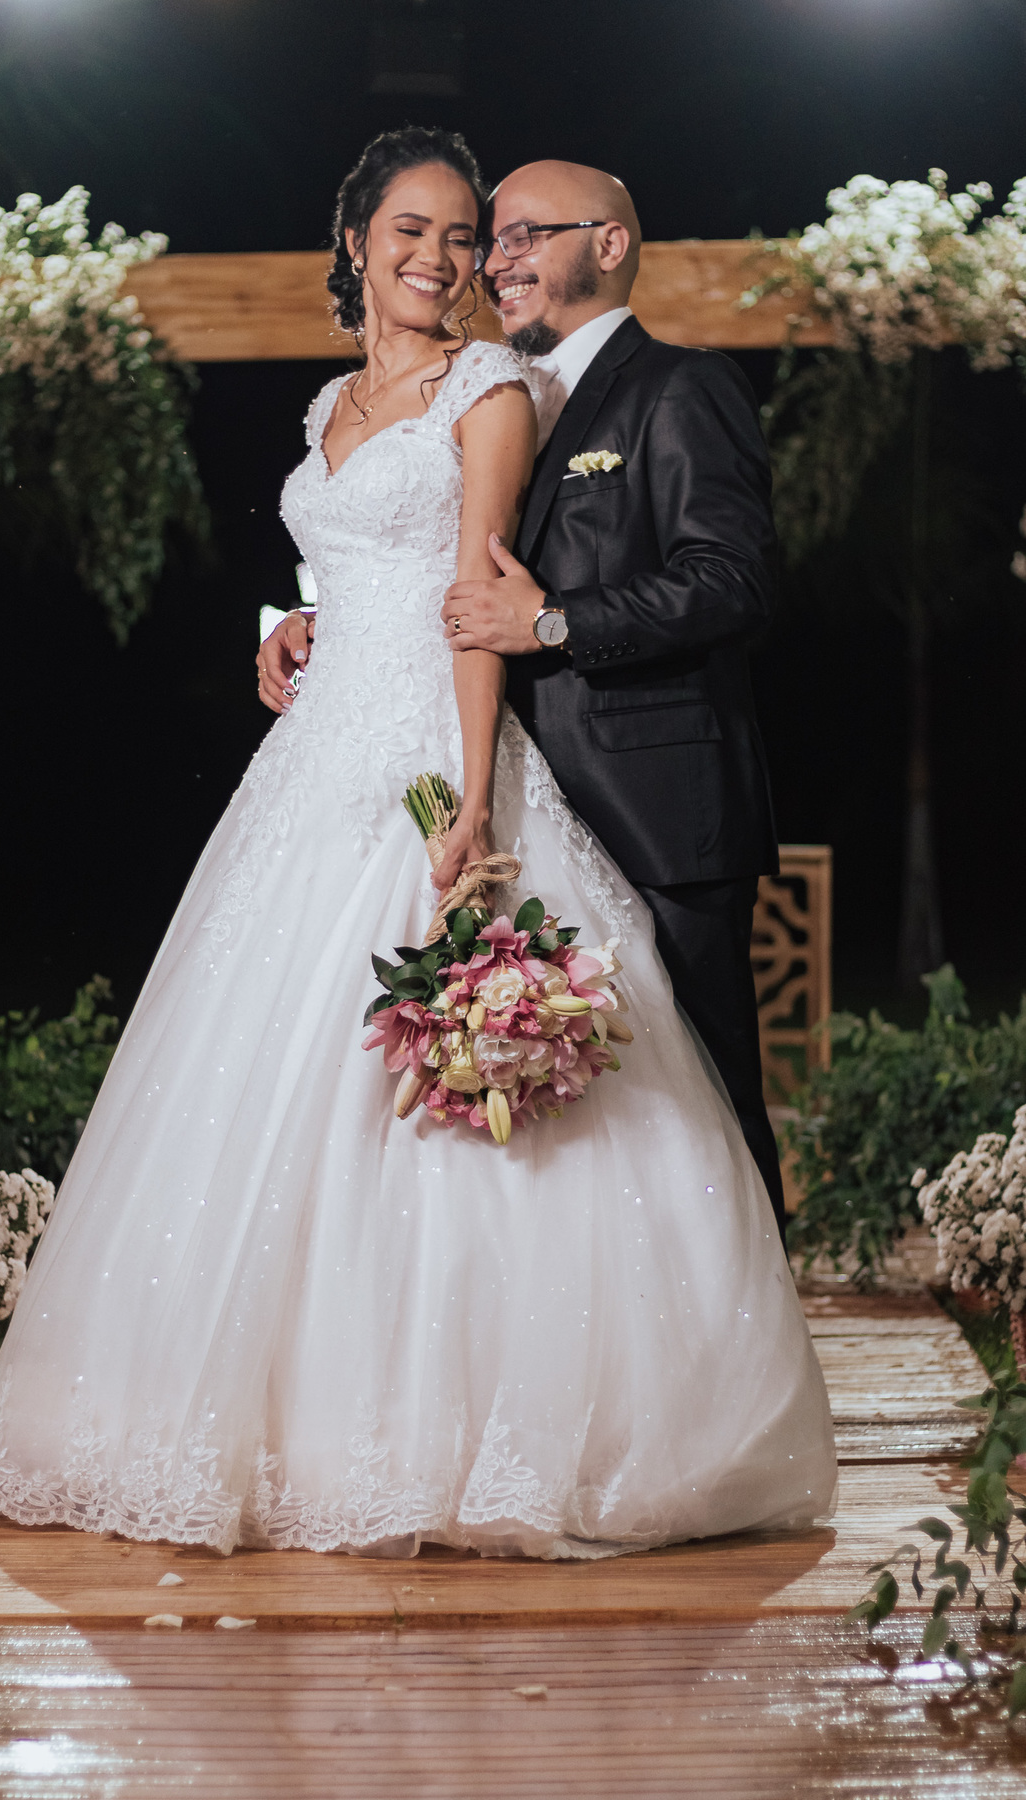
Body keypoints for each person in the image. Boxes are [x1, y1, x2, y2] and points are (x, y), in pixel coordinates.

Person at [0, 129, 835, 1561]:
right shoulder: (351, 401)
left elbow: (519, 593)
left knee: (624, 1110)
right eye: (423, 233)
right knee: (281, 1075)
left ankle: (653, 1402)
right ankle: (291, 1409)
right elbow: (375, 566)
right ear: (356, 242)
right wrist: (294, 623)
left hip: (510, 768)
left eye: (477, 234)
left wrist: (479, 784)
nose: (458, 257)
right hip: (326, 763)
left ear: (598, 245)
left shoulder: (547, 389)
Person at [440, 160, 788, 1236]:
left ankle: (752, 1325)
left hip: (659, 817)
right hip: (528, 816)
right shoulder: (499, 406)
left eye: (524, 236)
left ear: (609, 243)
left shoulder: (681, 386)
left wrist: (555, 623)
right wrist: (313, 624)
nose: (497, 262)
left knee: (708, 1108)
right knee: (576, 1124)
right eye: (491, 243)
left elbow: (733, 579)